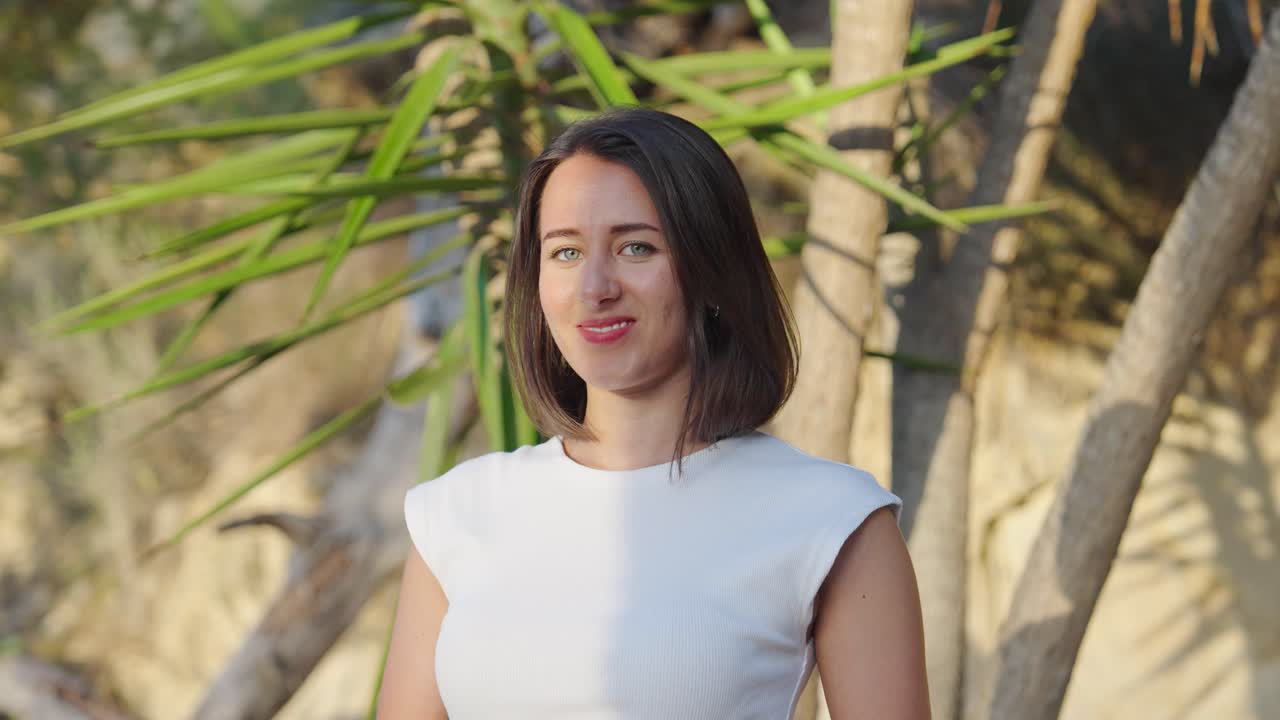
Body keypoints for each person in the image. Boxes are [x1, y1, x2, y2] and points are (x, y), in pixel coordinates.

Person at [377, 107, 929, 719]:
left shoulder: (831, 519)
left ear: (712, 269)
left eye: (635, 247)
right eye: (564, 253)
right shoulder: (455, 514)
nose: (595, 286)